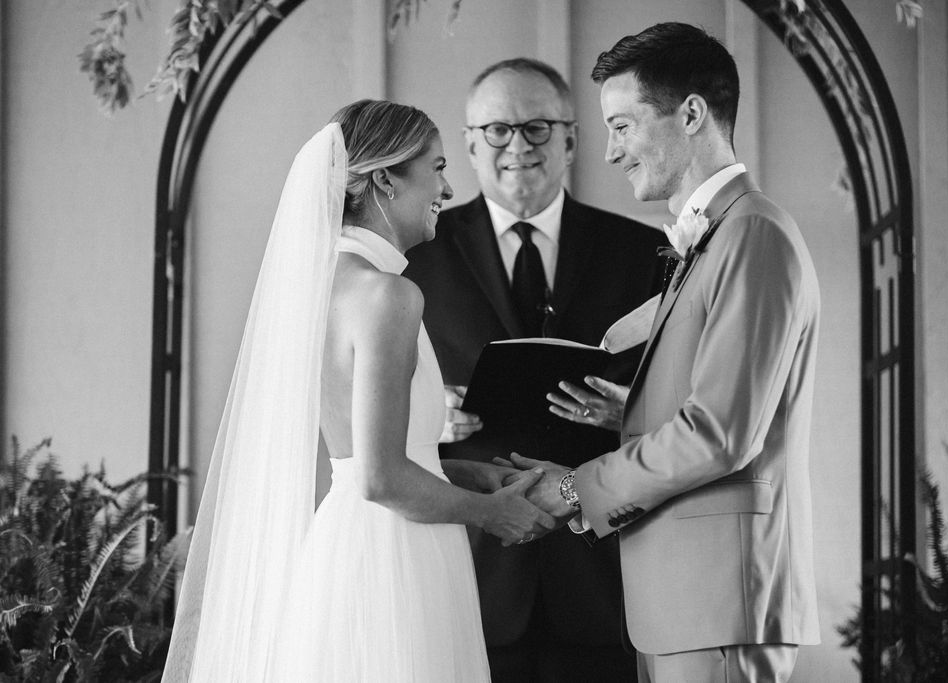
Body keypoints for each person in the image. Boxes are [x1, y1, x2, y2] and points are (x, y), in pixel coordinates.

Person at [162, 100, 555, 682]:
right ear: (385, 181)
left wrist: (469, 474)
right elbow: (380, 478)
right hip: (394, 557)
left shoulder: (321, 286)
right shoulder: (388, 296)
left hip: (354, 542)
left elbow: (363, 459)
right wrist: (493, 514)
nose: (446, 188)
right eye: (437, 169)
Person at [504, 23, 822, 682]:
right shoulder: (717, 238)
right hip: (682, 600)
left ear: (693, 114)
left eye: (623, 125)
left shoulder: (753, 235)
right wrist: (628, 413)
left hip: (719, 600)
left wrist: (574, 488)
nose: (613, 152)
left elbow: (721, 433)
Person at [404, 58, 666, 682]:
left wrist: (630, 406)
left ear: (572, 139)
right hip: (471, 565)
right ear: (468, 143)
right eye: (496, 130)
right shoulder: (417, 255)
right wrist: (427, 414)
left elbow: (677, 402)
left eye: (538, 127)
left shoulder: (643, 254)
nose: (517, 145)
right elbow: (367, 401)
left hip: (604, 565)